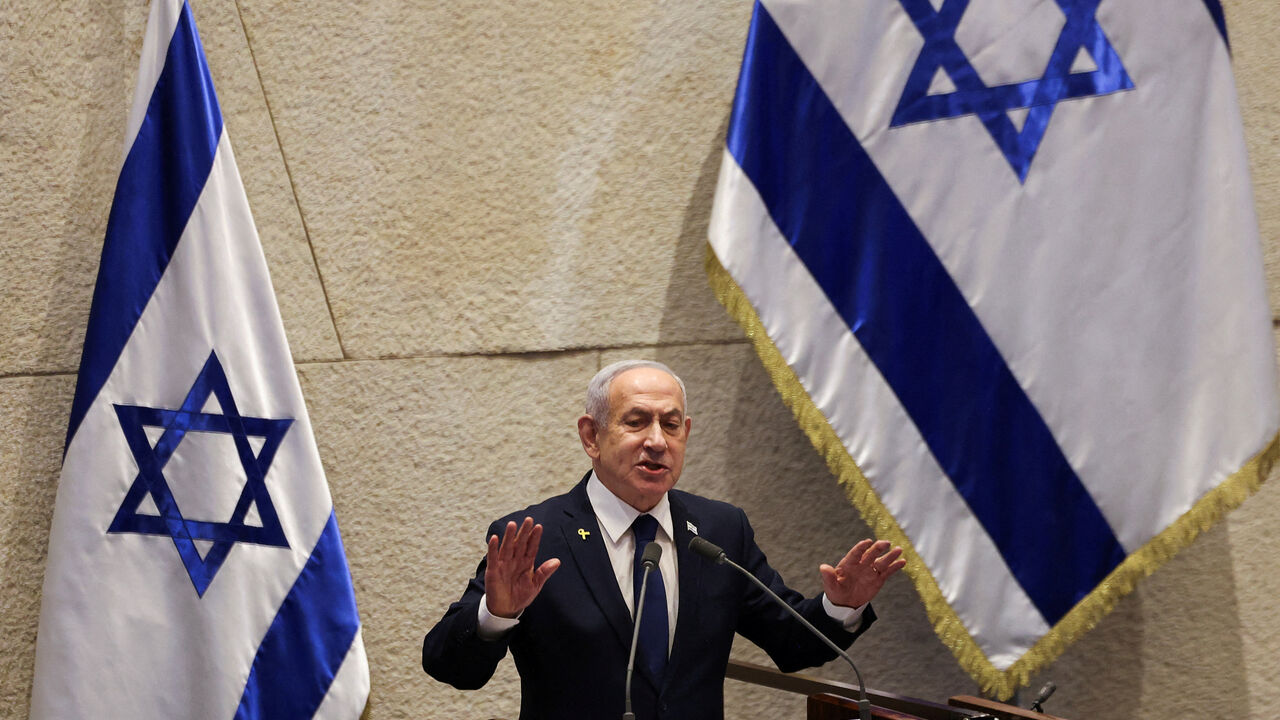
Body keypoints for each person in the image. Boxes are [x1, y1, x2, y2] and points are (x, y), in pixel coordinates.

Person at [422, 360, 904, 719]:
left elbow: (794, 643)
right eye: (636, 421)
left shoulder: (720, 531)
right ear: (591, 436)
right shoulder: (535, 539)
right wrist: (496, 614)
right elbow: (451, 666)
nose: (657, 441)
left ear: (686, 434)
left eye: (671, 425)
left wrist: (841, 606)